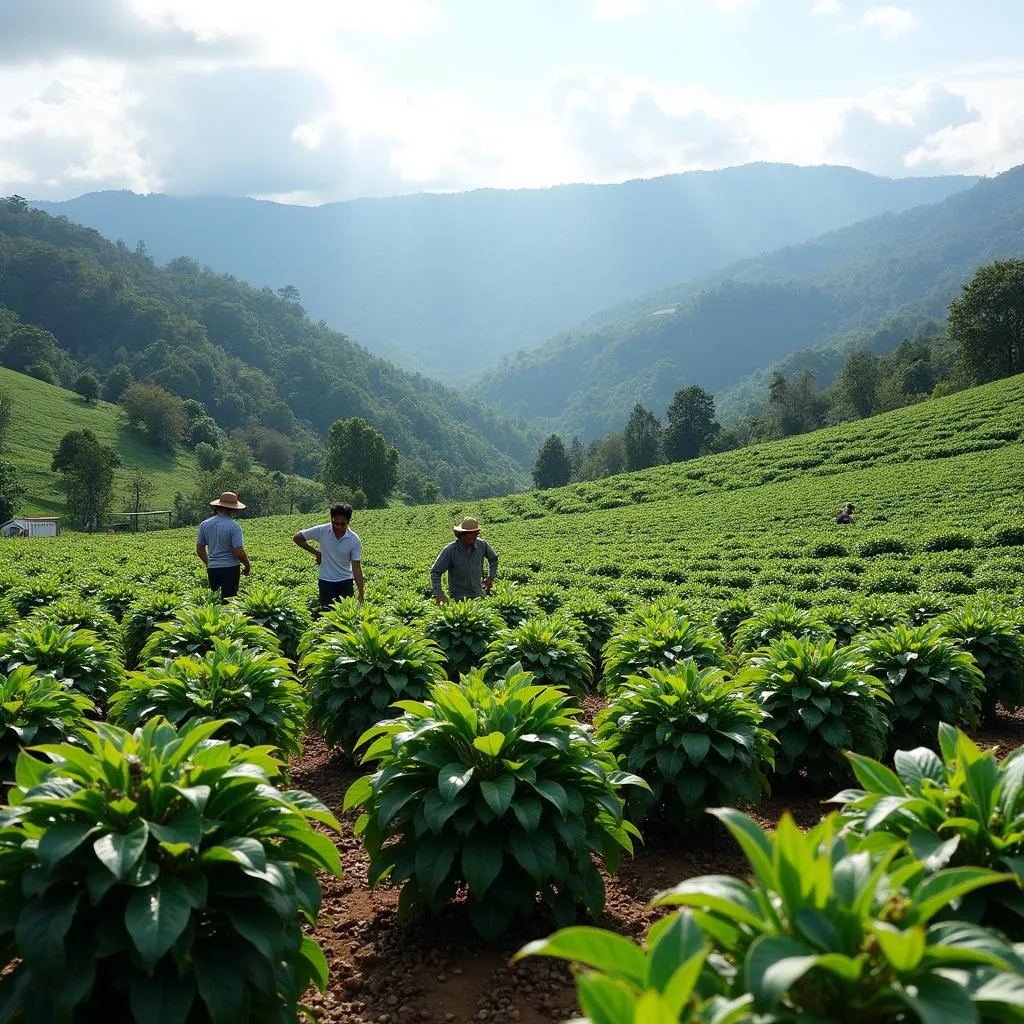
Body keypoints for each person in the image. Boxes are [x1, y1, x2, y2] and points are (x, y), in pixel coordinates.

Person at [293, 502, 364, 608]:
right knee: (327, 615)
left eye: (343, 524)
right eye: (336, 523)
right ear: (331, 519)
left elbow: (356, 567)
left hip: (345, 581)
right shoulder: (322, 530)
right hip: (325, 581)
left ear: (348, 522)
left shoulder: (354, 540)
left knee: (345, 616)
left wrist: (361, 592)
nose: (339, 527)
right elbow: (297, 537)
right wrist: (317, 553)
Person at [196, 491, 251, 599]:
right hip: (230, 569)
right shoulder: (234, 526)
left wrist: (209, 564)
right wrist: (247, 566)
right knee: (228, 603)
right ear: (233, 509)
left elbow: (200, 549)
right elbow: (239, 552)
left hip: (213, 569)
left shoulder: (205, 524)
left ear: (218, 506)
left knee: (214, 602)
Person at [430, 516, 498, 604]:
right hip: (459, 600)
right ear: (461, 534)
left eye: (475, 533)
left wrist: (491, 577)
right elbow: (435, 572)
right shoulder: (450, 550)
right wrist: (439, 595)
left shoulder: (482, 545)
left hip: (479, 596)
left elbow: (494, 559)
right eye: (468, 533)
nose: (472, 536)